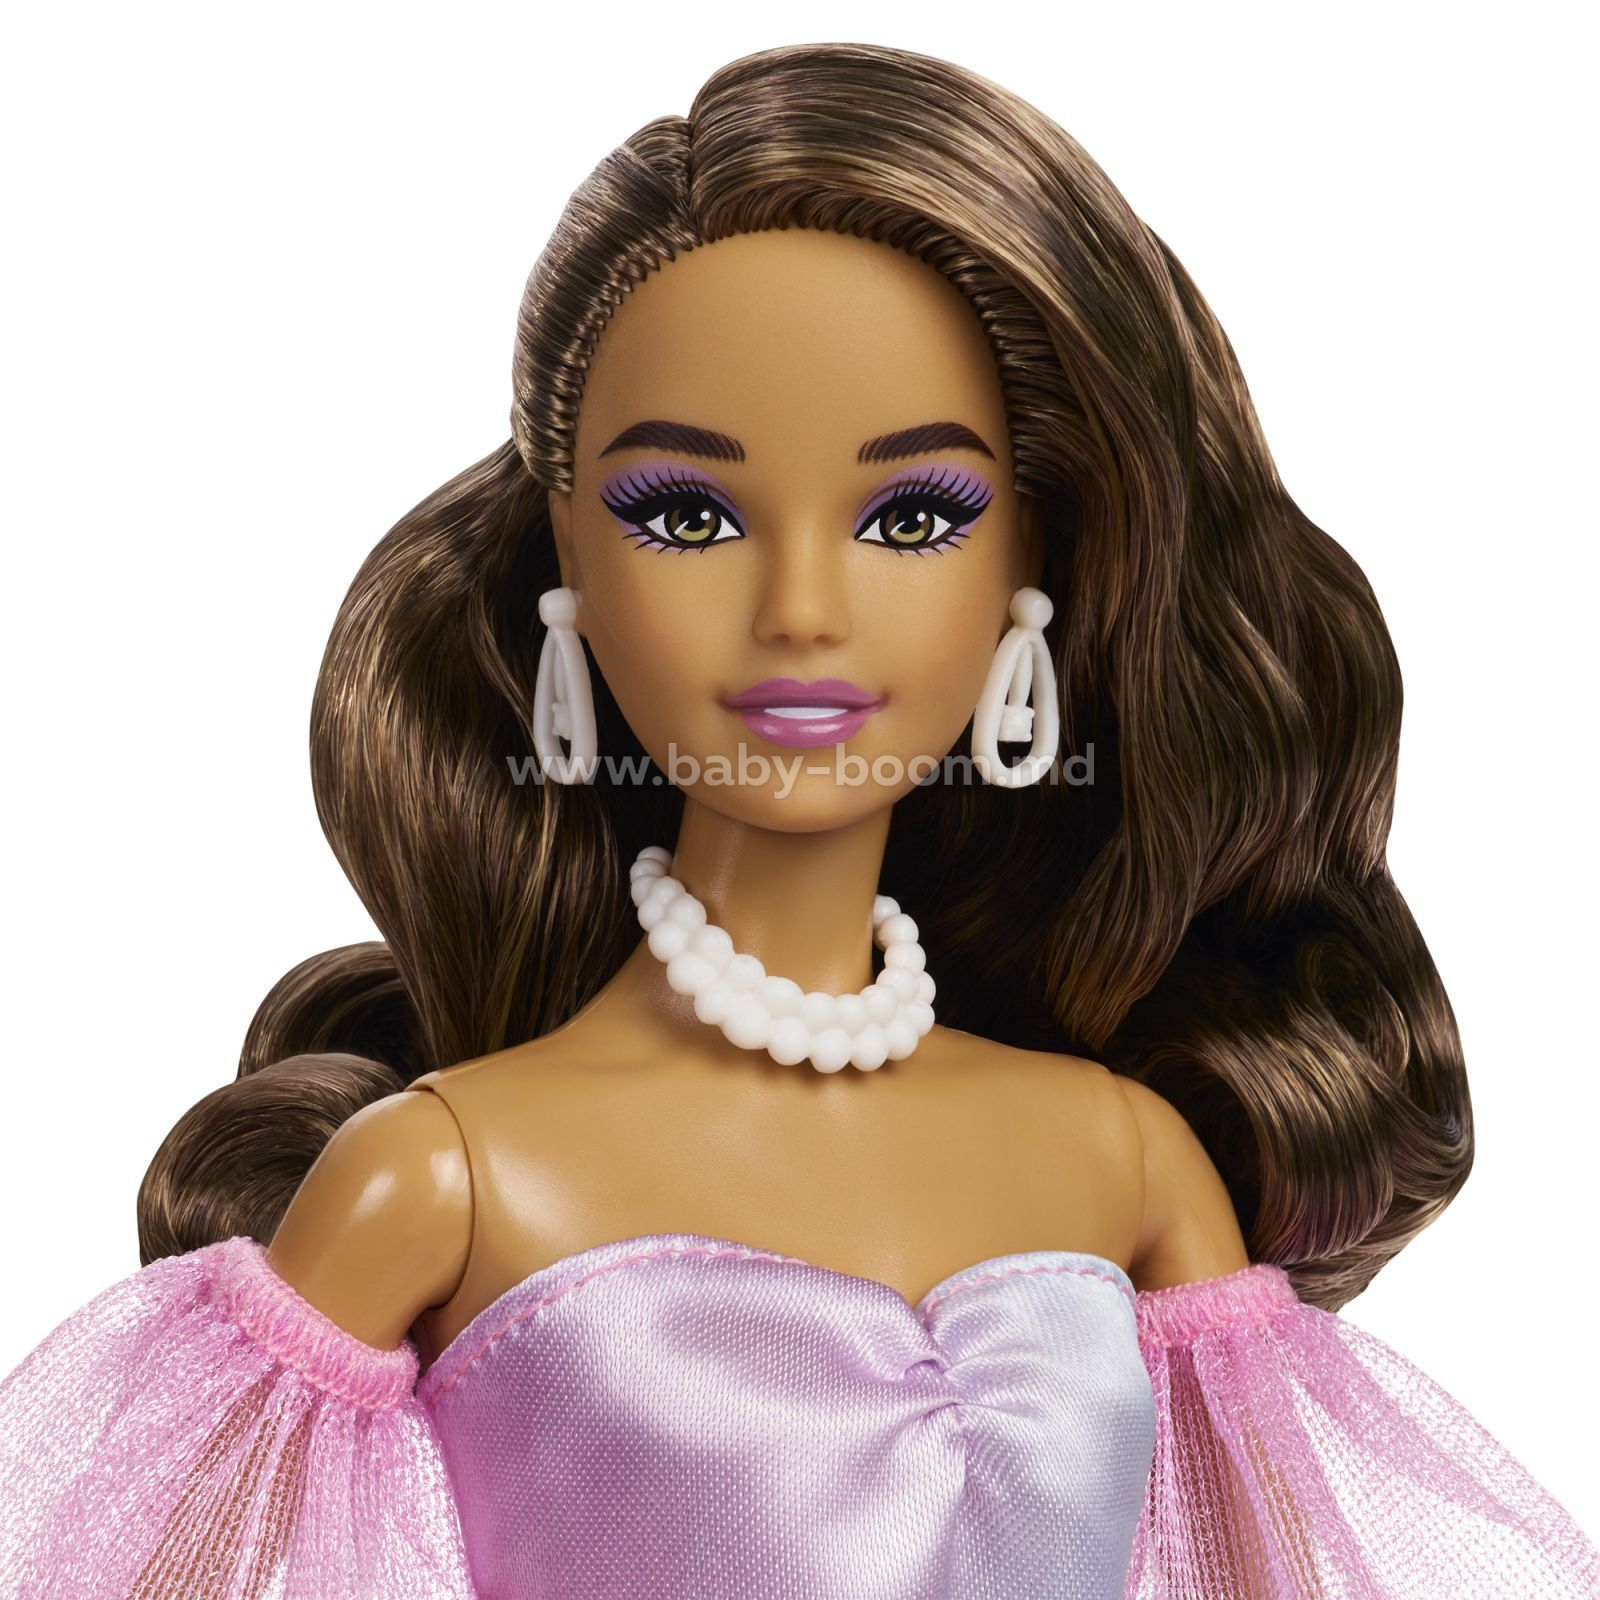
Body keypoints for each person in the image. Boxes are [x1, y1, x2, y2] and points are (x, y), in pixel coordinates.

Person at [2, 40, 1596, 1600]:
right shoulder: (441, 1180)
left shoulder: (1127, 1164)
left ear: (1031, 567)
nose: (802, 612)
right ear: (567, 559)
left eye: (915, 516)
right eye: (686, 514)